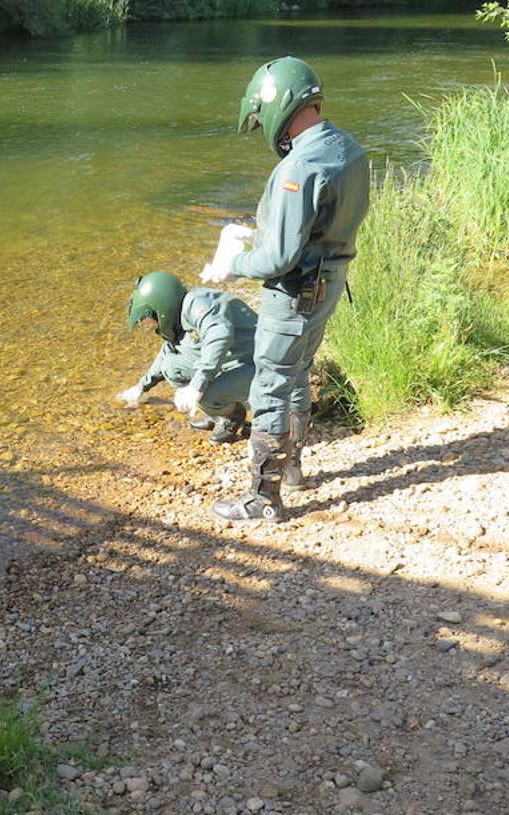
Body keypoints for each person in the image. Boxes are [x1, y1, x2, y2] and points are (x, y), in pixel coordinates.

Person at [201, 56, 370, 521]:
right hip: (329, 284)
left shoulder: (299, 167)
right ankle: (293, 468)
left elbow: (278, 259)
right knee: (297, 372)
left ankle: (264, 498)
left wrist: (233, 263)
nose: (264, 131)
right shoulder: (349, 149)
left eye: (261, 119)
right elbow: (317, 230)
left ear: (279, 103)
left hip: (293, 295)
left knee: (271, 385)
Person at [117, 271, 258, 445]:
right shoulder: (178, 318)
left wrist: (196, 387)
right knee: (171, 366)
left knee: (206, 396)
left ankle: (232, 416)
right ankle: (218, 414)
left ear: (162, 308)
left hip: (257, 364)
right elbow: (167, 354)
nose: (152, 326)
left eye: (151, 319)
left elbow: (219, 335)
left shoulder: (197, 304)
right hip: (234, 360)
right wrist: (141, 387)